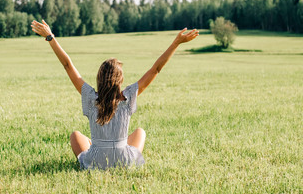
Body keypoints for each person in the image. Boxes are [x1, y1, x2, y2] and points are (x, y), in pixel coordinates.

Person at [31, 20, 199, 170]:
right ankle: (107, 147)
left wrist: (50, 37)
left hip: (95, 162)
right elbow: (156, 69)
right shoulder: (127, 98)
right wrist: (176, 42)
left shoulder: (90, 98)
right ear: (120, 80)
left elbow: (68, 65)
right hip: (124, 161)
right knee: (140, 132)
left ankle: (96, 146)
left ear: (99, 78)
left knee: (76, 135)